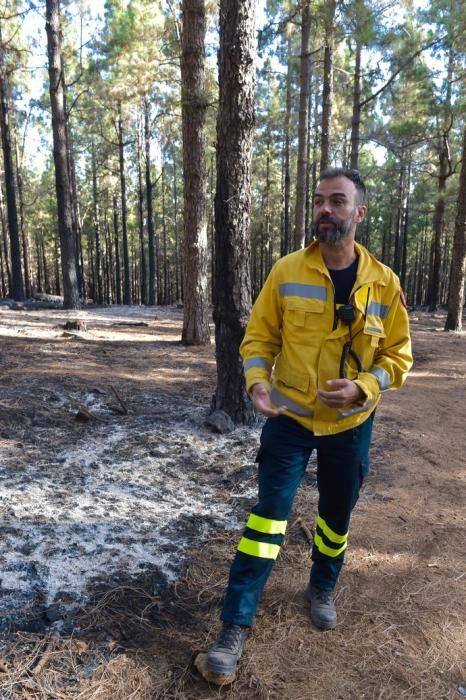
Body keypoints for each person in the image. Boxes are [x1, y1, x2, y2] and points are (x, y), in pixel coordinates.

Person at [201, 167, 413, 684]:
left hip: (350, 424)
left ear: (359, 213)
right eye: (319, 200)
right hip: (290, 419)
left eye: (337, 201)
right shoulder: (287, 271)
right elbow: (258, 340)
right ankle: (234, 624)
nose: (325, 209)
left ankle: (321, 587)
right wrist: (256, 383)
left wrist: (365, 386)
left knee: (335, 516)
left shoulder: (383, 282)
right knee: (268, 519)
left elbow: (398, 355)